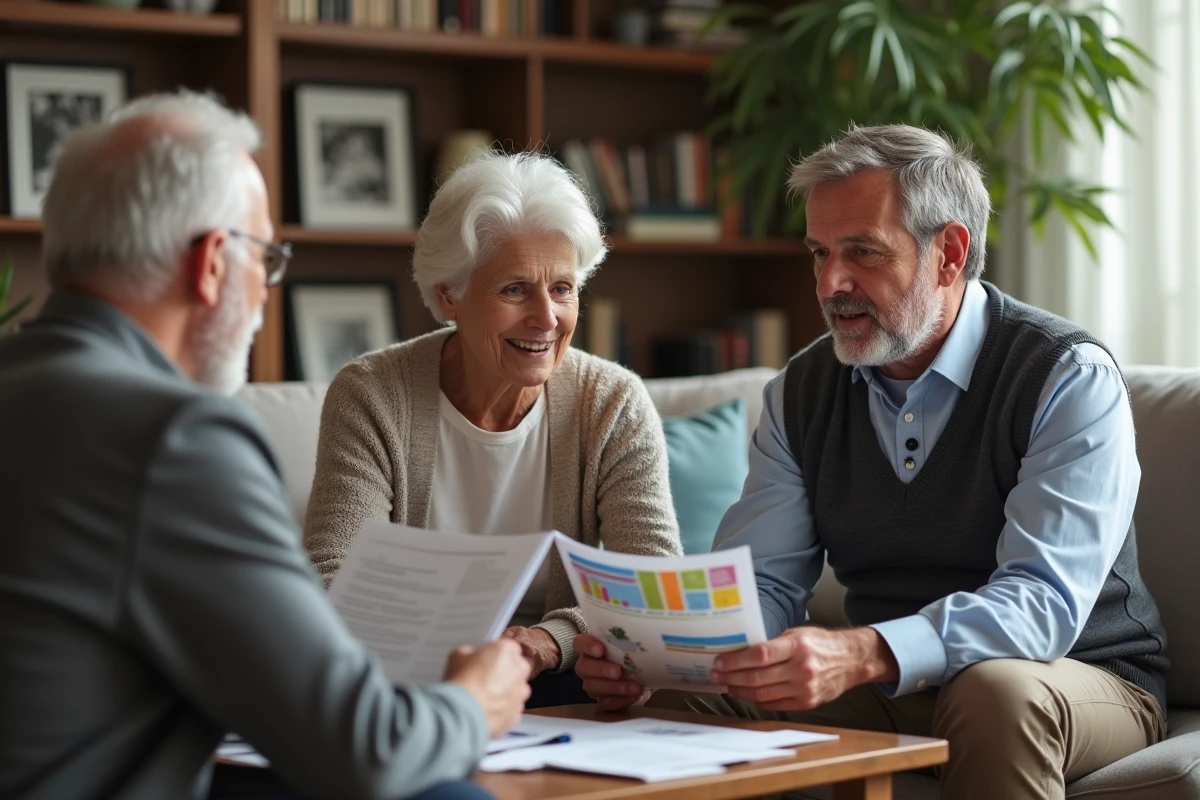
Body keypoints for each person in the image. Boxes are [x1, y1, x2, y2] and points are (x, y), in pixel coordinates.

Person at [574, 124, 1168, 800]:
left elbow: (1042, 605)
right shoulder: (801, 391)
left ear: (948, 253)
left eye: (862, 251)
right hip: (887, 686)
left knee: (993, 691)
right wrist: (666, 658)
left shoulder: (1064, 375)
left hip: (1072, 675)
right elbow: (761, 588)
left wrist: (862, 651)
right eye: (819, 252)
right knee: (673, 702)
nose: (831, 284)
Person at [0, 90, 530, 800]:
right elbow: (362, 749)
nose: (263, 296)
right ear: (213, 263)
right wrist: (475, 700)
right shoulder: (174, 437)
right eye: (266, 260)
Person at [304, 151, 683, 707]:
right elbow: (332, 577)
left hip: (563, 679)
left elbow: (652, 587)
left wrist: (544, 643)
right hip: (407, 684)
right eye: (514, 290)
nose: (547, 318)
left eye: (562, 288)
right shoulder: (372, 393)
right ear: (447, 295)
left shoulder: (613, 402)